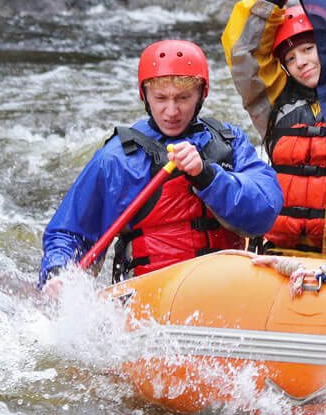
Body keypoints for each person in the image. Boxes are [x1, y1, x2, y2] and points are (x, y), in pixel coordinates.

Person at [38, 40, 284, 287]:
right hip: (152, 295)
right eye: (161, 98)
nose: (172, 111)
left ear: (202, 94)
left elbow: (265, 211)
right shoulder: (117, 159)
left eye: (183, 98)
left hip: (226, 287)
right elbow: (69, 233)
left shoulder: (228, 142)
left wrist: (208, 176)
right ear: (144, 95)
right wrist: (57, 273)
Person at [222, 0, 326, 253]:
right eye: (290, 57)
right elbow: (244, 53)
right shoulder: (275, 101)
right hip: (282, 248)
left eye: (309, 49)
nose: (302, 62)